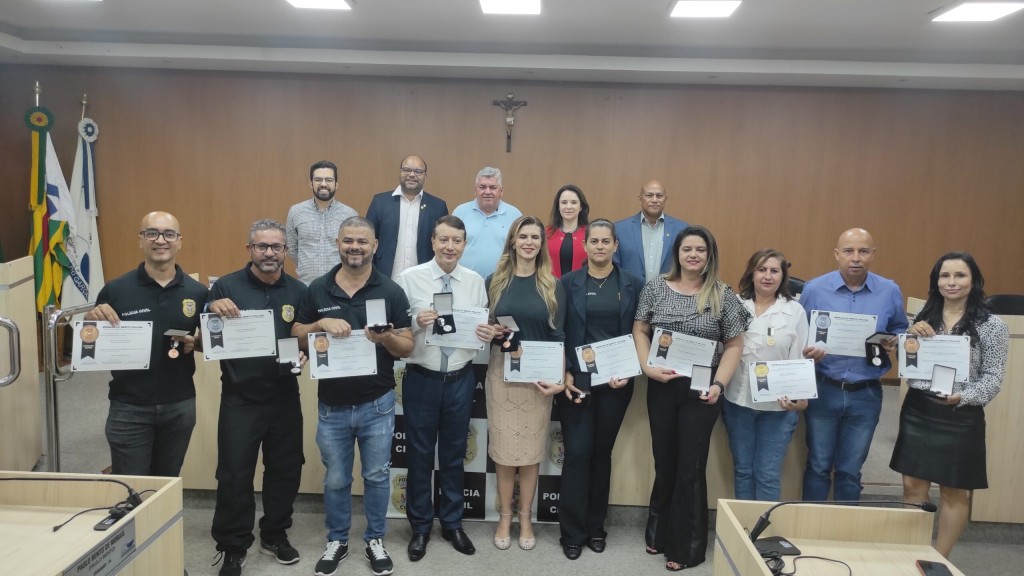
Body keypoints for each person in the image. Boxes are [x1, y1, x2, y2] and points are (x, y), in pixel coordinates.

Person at [291, 217, 413, 576]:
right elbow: (296, 334)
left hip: (377, 403)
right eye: (348, 241)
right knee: (336, 478)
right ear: (337, 243)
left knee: (376, 476)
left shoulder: (391, 291)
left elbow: (406, 346)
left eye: (362, 241)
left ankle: (375, 538)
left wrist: (386, 339)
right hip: (332, 406)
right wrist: (319, 325)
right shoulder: (317, 289)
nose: (355, 247)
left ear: (375, 245)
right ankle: (338, 539)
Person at [632, 225, 748, 571]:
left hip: (702, 390)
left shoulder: (722, 295)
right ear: (677, 254)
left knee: (690, 465)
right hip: (662, 385)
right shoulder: (655, 288)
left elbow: (735, 345)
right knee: (664, 460)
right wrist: (646, 366)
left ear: (709, 256)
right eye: (687, 249)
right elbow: (640, 329)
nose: (693, 255)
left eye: (700, 250)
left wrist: (719, 384)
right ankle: (658, 532)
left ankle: (687, 546)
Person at [206, 220, 308, 576]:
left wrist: (308, 349)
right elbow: (208, 339)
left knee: (286, 468)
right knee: (234, 473)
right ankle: (233, 545)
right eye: (262, 246)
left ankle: (275, 533)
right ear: (249, 249)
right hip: (240, 397)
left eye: (276, 247)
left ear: (285, 251)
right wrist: (213, 312)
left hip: (284, 396)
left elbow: (305, 337)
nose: (269, 253)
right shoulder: (225, 287)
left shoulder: (298, 291)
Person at [890, 252, 1008, 558]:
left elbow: (994, 377)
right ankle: (912, 553)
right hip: (920, 409)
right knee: (912, 485)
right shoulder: (922, 317)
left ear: (974, 280)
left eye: (960, 275)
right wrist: (908, 338)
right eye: (945, 276)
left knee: (953, 490)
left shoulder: (991, 325)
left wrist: (964, 397)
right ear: (936, 281)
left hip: (961, 413)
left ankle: (938, 559)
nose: (951, 282)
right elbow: (908, 364)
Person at [396, 215, 494, 561]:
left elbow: (479, 328)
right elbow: (394, 327)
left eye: (456, 241)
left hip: (460, 378)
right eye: (443, 240)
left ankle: (452, 523)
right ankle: (421, 527)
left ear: (464, 245)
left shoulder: (475, 281)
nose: (450, 247)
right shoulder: (410, 279)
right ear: (433, 242)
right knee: (420, 455)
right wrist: (414, 321)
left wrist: (485, 334)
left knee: (453, 454)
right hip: (422, 378)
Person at [84, 211, 208, 476]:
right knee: (131, 488)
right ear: (141, 240)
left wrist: (194, 343)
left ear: (179, 241)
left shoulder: (197, 292)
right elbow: (90, 345)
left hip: (179, 404)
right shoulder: (115, 290)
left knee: (166, 483)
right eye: (152, 233)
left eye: (169, 234)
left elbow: (212, 344)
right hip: (129, 406)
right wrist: (90, 323)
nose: (161, 240)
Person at [799, 228, 908, 503]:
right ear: (837, 254)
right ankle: (810, 529)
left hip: (866, 392)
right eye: (848, 251)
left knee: (850, 470)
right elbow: (799, 333)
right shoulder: (813, 289)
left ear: (873, 255)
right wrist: (807, 351)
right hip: (824, 388)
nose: (856, 258)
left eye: (863, 251)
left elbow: (899, 329)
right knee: (818, 465)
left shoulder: (889, 290)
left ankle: (844, 536)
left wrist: (893, 341)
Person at [557, 219, 642, 560]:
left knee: (600, 455)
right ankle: (572, 533)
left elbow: (641, 333)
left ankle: (595, 528)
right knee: (577, 454)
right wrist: (563, 372)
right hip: (577, 381)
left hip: (617, 383)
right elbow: (559, 330)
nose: (600, 247)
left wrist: (629, 369)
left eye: (606, 241)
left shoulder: (633, 284)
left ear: (615, 246)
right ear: (586, 245)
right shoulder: (567, 283)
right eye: (594, 241)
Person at [485, 215, 566, 552]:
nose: (529, 242)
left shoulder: (552, 284)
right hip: (502, 373)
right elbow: (485, 329)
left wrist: (559, 379)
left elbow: (559, 335)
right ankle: (505, 516)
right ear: (513, 241)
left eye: (535, 237)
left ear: (541, 244)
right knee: (505, 454)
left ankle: (526, 517)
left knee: (530, 453)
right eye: (523, 236)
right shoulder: (495, 281)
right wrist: (491, 332)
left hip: (537, 375)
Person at [722, 248, 809, 502]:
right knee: (743, 471)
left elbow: (799, 359)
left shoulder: (795, 311)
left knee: (768, 473)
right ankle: (742, 531)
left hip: (779, 407)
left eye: (774, 271)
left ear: (783, 276)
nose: (767, 276)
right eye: (761, 270)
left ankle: (765, 537)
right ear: (751, 273)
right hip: (739, 401)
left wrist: (800, 398)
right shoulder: (735, 304)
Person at [365, 155, 449, 280]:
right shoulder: (380, 202)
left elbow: (443, 243)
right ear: (400, 173)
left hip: (424, 280)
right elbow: (368, 240)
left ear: (425, 176)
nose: (412, 174)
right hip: (384, 278)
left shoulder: (438, 206)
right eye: (406, 170)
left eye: (418, 171)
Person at [285, 160, 358, 285]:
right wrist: (307, 263)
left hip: (340, 285)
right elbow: (291, 246)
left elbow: (353, 250)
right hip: (306, 285)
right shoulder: (296, 211)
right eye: (318, 179)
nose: (323, 184)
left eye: (329, 180)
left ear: (336, 184)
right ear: (311, 183)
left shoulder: (350, 215)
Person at [452, 167, 522, 278]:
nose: (487, 191)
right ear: (475, 190)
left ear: (501, 191)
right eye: (482, 187)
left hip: (503, 281)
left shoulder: (515, 215)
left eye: (493, 187)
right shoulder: (460, 212)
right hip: (465, 281)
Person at [613, 180, 688, 284]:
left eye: (659, 196)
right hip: (630, 296)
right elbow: (614, 266)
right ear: (640, 198)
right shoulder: (619, 229)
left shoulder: (681, 229)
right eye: (649, 195)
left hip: (668, 297)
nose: (654, 200)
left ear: (665, 199)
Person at [545, 184, 590, 278]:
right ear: (558, 206)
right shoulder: (546, 233)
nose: (568, 207)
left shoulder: (590, 233)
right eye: (564, 202)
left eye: (574, 202)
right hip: (551, 288)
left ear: (581, 207)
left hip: (581, 288)